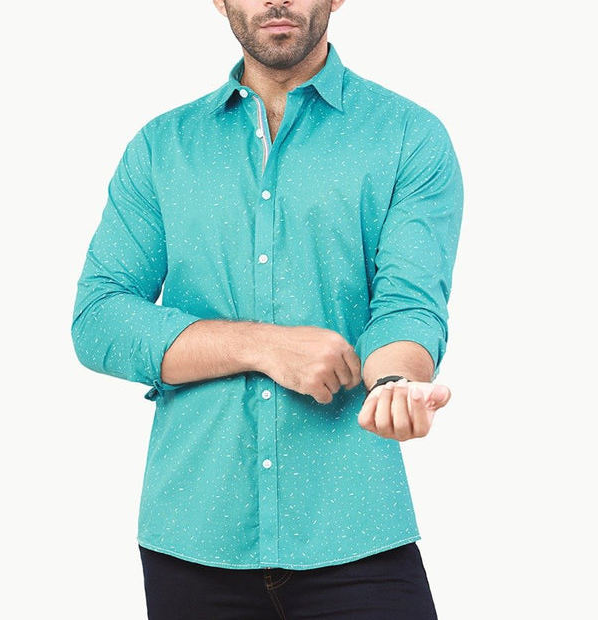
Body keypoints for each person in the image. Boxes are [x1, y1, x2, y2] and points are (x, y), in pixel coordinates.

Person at [71, 0, 464, 617]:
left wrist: (394, 380)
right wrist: (263, 345)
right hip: (193, 532)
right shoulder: (161, 148)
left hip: (353, 525)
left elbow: (408, 304)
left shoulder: (407, 136)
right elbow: (100, 317)